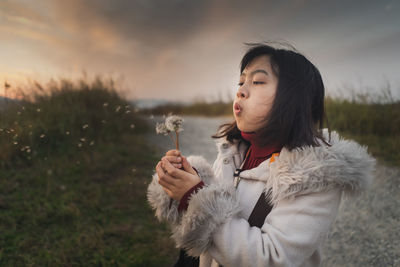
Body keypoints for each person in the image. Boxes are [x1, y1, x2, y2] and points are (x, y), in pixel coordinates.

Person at [146, 42, 376, 267]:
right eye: (241, 81)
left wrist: (194, 197)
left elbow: (273, 257)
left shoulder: (316, 176)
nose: (241, 91)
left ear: (292, 99)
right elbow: (210, 212)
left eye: (257, 81)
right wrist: (185, 184)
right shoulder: (235, 152)